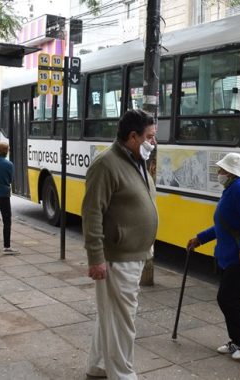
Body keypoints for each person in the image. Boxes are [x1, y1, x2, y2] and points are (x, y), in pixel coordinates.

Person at [82, 109, 158, 380]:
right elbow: (92, 213)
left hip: (132, 254)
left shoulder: (136, 160)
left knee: (112, 315)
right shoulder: (106, 164)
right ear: (133, 136)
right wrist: (96, 258)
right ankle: (123, 375)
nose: (154, 142)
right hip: (118, 257)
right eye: (150, 137)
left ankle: (99, 365)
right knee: (123, 320)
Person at [187, 152, 240, 360]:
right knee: (228, 298)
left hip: (238, 258)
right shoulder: (231, 189)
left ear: (231, 172)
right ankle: (237, 340)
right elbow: (223, 224)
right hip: (228, 256)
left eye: (222, 170)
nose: (219, 172)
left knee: (227, 298)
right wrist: (200, 239)